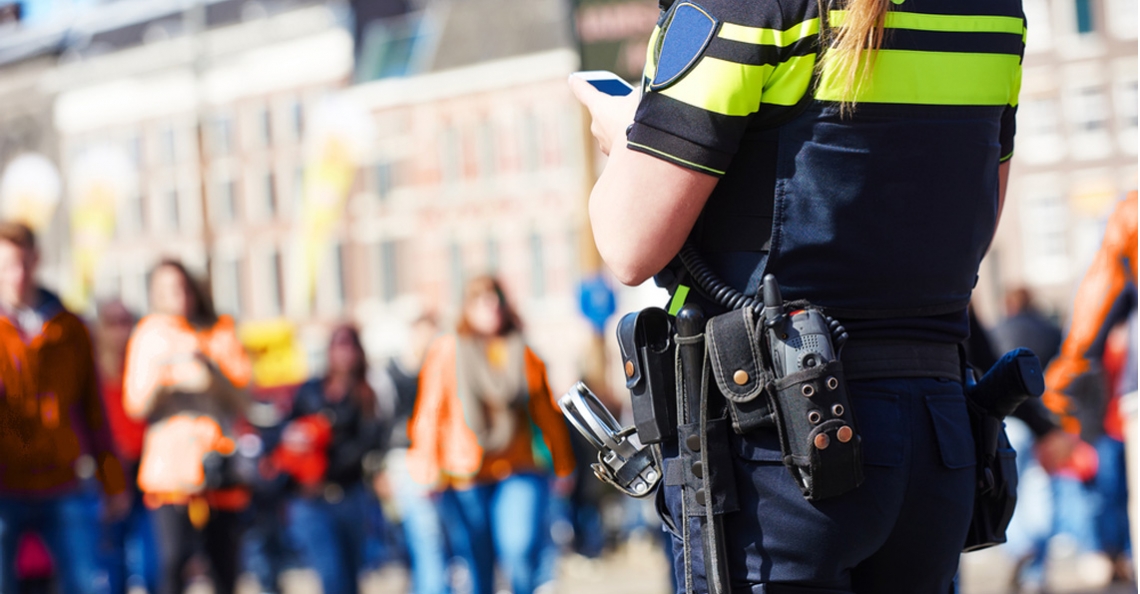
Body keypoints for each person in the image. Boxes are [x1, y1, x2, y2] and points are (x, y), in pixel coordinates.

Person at [569, 0, 1025, 589]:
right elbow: (974, 228)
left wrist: (630, 135)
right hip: (935, 440)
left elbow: (629, 244)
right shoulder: (994, 10)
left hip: (778, 452)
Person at [407, 276, 575, 594]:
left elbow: (547, 414)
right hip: (466, 472)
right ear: (467, 308)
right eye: (482, 300)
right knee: (476, 562)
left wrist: (563, 466)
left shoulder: (521, 351)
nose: (492, 307)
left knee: (518, 549)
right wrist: (425, 470)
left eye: (496, 299)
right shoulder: (448, 349)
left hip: (518, 467)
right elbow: (430, 411)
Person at [0, 221, 128, 594]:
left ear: (37, 260)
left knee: (86, 582)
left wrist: (112, 478)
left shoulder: (69, 326)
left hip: (62, 479)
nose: (18, 276)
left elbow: (93, 409)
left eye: (24, 264)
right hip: (4, 483)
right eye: (7, 265)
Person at [123, 259, 253, 594]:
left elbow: (245, 396)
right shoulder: (149, 335)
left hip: (219, 467)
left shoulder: (218, 330)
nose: (178, 294)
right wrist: (169, 374)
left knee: (225, 568)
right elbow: (135, 404)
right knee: (172, 566)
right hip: (171, 475)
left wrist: (209, 371)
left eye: (182, 286)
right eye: (168, 288)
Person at [1043, 193, 1137, 578]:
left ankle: (1106, 552)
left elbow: (1089, 324)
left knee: (1105, 489)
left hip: (1115, 406)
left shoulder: (1127, 223)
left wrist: (1062, 383)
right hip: (1111, 409)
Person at [272, 324, 385, 594]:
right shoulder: (310, 390)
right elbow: (286, 432)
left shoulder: (366, 394)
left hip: (349, 493)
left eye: (350, 346)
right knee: (331, 575)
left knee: (351, 575)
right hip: (311, 500)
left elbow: (367, 442)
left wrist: (325, 466)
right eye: (339, 346)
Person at [371, 314, 453, 594]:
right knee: (425, 537)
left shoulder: (440, 371)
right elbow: (380, 425)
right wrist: (379, 469)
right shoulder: (391, 375)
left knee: (433, 539)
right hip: (406, 460)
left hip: (439, 459)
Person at [94, 300, 159, 594]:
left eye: (126, 322)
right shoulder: (93, 372)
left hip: (148, 468)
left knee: (154, 560)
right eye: (113, 323)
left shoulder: (146, 366)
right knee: (112, 557)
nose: (121, 331)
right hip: (109, 470)